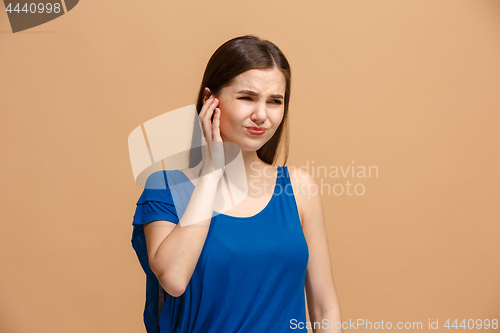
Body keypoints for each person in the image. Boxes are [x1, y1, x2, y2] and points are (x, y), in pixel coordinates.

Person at [131, 35, 343, 333]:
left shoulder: (298, 188)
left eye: (274, 101)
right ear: (210, 101)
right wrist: (212, 173)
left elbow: (325, 307)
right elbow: (174, 279)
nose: (261, 115)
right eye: (247, 97)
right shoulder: (165, 187)